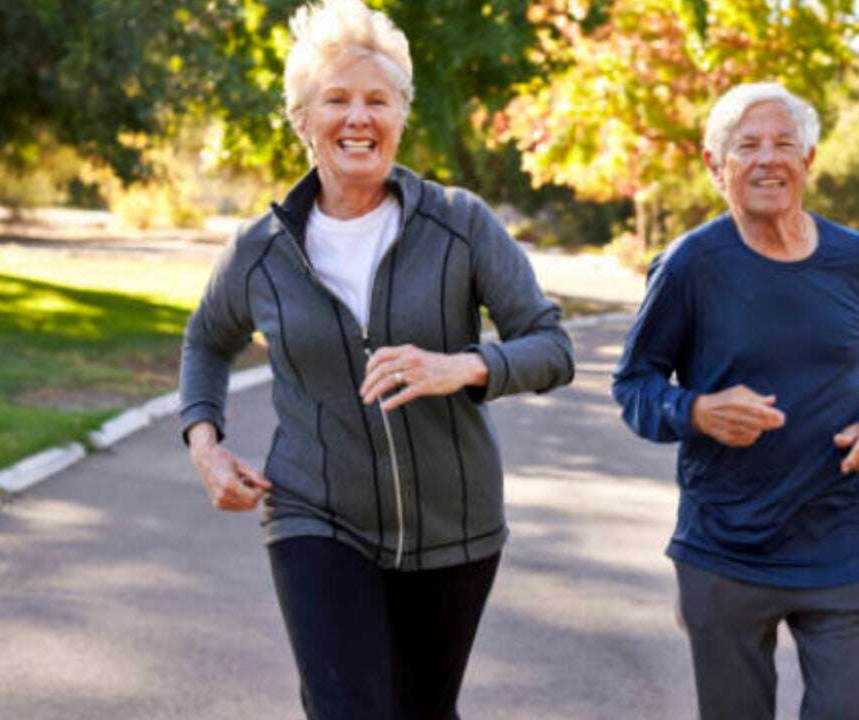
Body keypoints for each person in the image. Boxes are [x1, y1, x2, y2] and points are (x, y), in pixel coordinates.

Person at [178, 1, 574, 717]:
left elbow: (551, 346)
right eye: (336, 100)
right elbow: (207, 340)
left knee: (422, 709)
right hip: (314, 510)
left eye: (377, 101)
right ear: (302, 121)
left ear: (400, 117)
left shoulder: (460, 225)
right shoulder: (259, 253)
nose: (358, 118)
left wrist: (465, 367)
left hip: (455, 522)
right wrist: (205, 445)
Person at [611, 82, 859, 720]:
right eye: (747, 145)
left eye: (784, 144)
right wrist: (695, 412)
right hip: (727, 546)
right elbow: (634, 384)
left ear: (808, 160)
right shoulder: (691, 265)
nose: (767, 158)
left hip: (840, 539)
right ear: (715, 165)